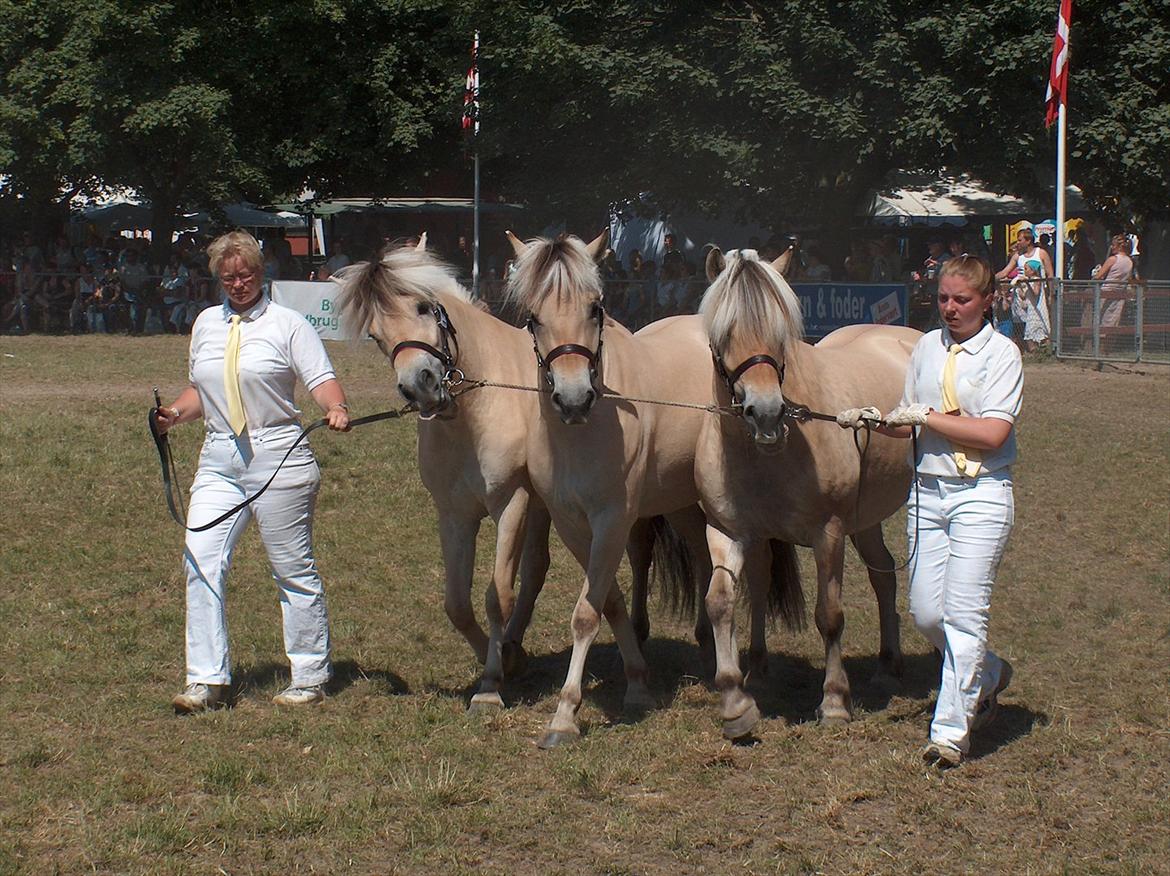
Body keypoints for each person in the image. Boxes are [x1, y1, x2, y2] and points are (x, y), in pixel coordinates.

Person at [153, 230, 351, 714]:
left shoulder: (289, 324)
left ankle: (308, 675)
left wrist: (336, 407)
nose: (238, 283)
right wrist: (173, 415)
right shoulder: (205, 324)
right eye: (228, 277)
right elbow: (203, 389)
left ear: (261, 273)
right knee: (199, 558)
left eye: (245, 275)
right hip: (219, 457)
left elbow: (321, 379)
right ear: (218, 279)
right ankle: (206, 680)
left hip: (278, 451)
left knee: (291, 568)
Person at [836, 255, 1021, 768]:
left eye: (962, 300)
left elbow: (992, 433)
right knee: (926, 613)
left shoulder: (1002, 355)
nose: (950, 308)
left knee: (963, 615)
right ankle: (988, 672)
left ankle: (950, 733)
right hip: (928, 493)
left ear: (986, 301)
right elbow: (908, 423)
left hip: (980, 493)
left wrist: (930, 418)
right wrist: (875, 420)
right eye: (943, 298)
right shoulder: (924, 349)